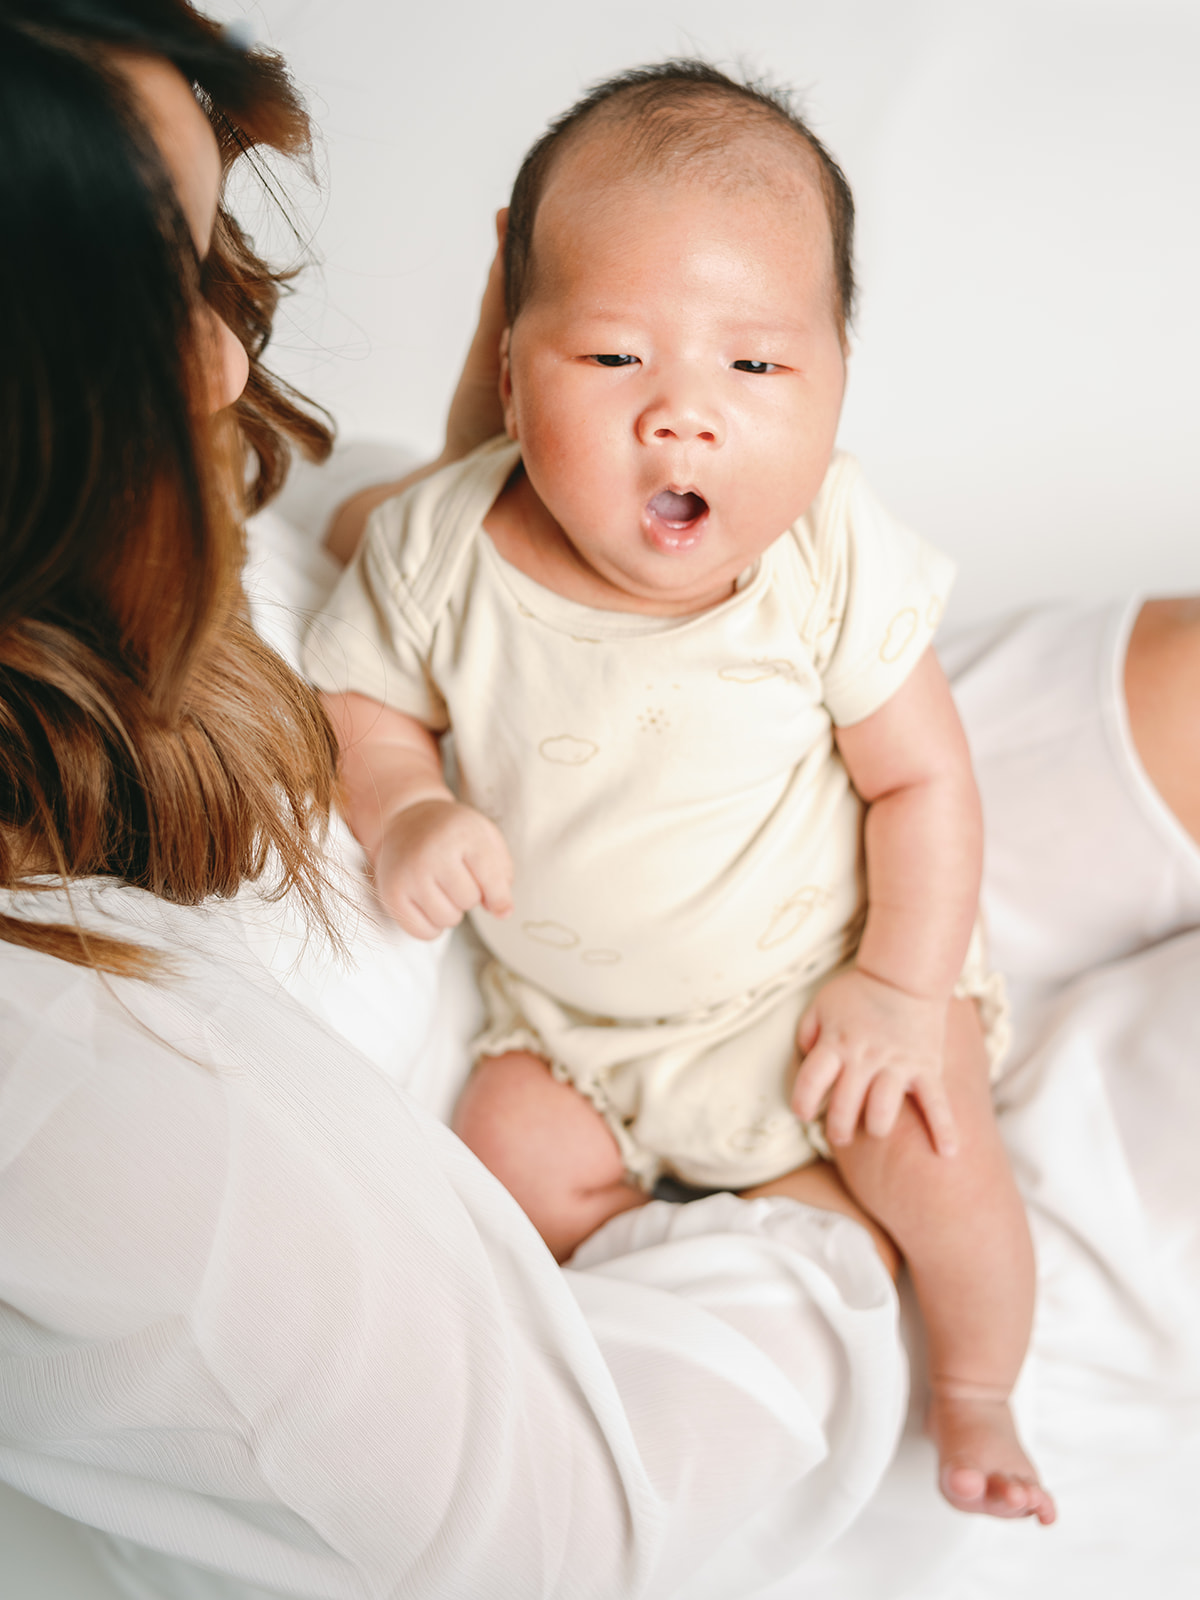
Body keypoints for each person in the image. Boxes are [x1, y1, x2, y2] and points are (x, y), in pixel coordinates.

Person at [0, 7, 917, 1599]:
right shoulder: (89, 1093)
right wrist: (823, 1229)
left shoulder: (163, 525)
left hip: (768, 831)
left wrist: (554, 383)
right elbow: (559, 1539)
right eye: (152, 300)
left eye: (216, 270)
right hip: (670, 1121)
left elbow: (411, 553)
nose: (228, 355)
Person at [304, 63, 1052, 1522]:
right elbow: (364, 701)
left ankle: (977, 1390)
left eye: (756, 369)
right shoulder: (444, 544)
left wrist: (903, 988)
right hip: (573, 1023)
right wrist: (401, 808)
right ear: (513, 371)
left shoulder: (826, 550)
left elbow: (923, 783)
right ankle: (715, 1229)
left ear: (838, 383)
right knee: (499, 1163)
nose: (683, 418)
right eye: (614, 360)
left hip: (816, 993)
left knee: (945, 1161)